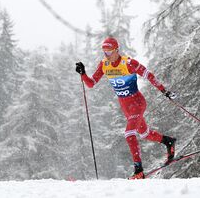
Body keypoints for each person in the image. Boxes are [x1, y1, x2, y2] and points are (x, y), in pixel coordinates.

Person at [75, 37, 177, 180]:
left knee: (129, 134)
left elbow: (149, 75)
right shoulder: (104, 65)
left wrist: (164, 91)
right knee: (144, 134)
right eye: (104, 52)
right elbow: (91, 83)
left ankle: (139, 170)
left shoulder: (129, 63)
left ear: (117, 50)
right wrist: (83, 74)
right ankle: (168, 141)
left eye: (109, 52)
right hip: (126, 107)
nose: (107, 55)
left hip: (137, 103)